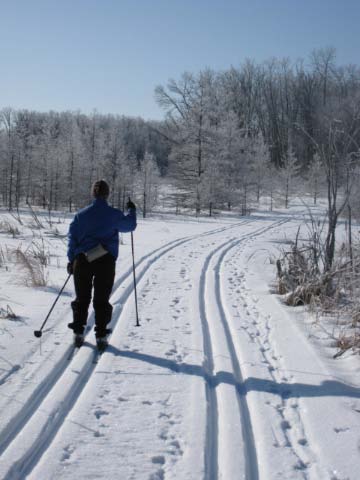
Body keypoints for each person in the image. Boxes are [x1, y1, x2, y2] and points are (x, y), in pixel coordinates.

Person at [67, 179, 136, 348]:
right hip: (105, 261)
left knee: (82, 297)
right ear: (107, 194)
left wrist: (71, 260)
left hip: (82, 261)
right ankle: (101, 335)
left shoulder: (80, 215)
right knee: (101, 298)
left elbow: (72, 239)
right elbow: (130, 226)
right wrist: (131, 210)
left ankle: (78, 332)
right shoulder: (114, 214)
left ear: (93, 193)